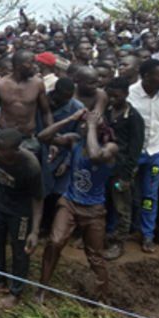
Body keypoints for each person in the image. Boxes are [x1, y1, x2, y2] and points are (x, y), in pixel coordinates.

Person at [37, 109, 117, 302]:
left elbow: (95, 155)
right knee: (54, 242)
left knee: (95, 256)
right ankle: (42, 288)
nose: (82, 125)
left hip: (94, 209)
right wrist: (70, 118)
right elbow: (43, 136)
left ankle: (102, 300)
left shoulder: (111, 147)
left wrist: (91, 126)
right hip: (70, 202)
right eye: (82, 123)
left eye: (87, 124)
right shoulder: (74, 140)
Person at [0, 128, 43, 308]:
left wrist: (35, 231)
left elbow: (38, 199)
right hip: (0, 199)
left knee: (20, 248)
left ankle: (16, 292)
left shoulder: (31, 166)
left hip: (21, 208)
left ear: (15, 150)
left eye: (2, 150)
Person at [102, 77, 144, 260]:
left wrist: (126, 177)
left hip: (121, 170)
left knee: (122, 208)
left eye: (116, 96)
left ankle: (118, 243)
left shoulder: (134, 118)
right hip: (103, 167)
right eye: (109, 95)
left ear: (126, 94)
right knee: (100, 203)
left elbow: (135, 150)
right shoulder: (106, 112)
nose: (111, 99)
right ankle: (98, 236)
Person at [0, 50, 53, 157]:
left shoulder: (38, 84)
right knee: (1, 172)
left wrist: (52, 140)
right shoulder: (0, 85)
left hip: (28, 139)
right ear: (19, 66)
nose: (35, 66)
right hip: (3, 138)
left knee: (29, 171)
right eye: (31, 63)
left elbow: (46, 113)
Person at [128, 58, 159, 253]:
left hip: (157, 151)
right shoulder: (130, 94)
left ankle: (147, 234)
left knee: (150, 195)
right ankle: (119, 232)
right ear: (146, 77)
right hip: (134, 154)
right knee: (123, 192)